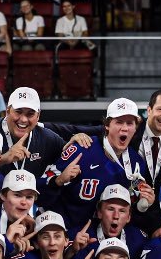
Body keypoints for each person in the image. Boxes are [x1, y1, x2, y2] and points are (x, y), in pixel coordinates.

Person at [44, 97, 154, 233]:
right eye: (119, 122)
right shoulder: (81, 149)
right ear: (107, 125)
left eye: (130, 123)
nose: (124, 128)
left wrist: (141, 204)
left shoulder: (137, 163)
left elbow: (126, 212)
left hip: (102, 240)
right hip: (63, 234)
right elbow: (41, 192)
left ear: (135, 127)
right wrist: (58, 181)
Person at [0, 86, 66, 181]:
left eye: (30, 114)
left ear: (38, 116)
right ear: (7, 111)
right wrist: (5, 158)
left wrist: (76, 142)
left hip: (31, 195)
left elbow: (70, 155)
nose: (23, 119)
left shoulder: (47, 138)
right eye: (18, 112)